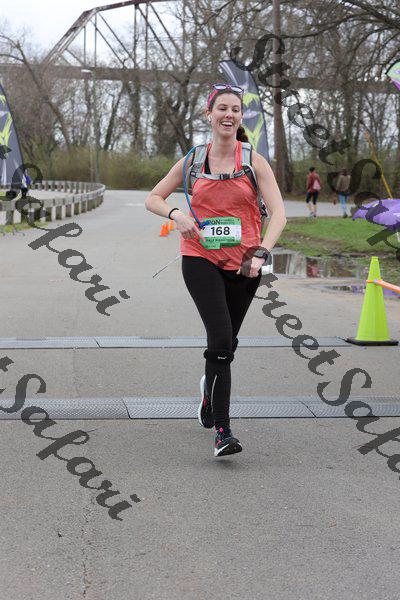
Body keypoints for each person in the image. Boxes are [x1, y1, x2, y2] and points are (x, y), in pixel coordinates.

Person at [145, 83, 286, 457]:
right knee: (221, 338)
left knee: (226, 345)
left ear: (240, 117)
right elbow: (153, 198)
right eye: (222, 108)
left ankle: (209, 396)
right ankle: (223, 431)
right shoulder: (193, 160)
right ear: (209, 115)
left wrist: (261, 252)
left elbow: (279, 214)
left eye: (235, 110)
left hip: (245, 263)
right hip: (199, 258)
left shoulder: (253, 161)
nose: (229, 115)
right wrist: (177, 215)